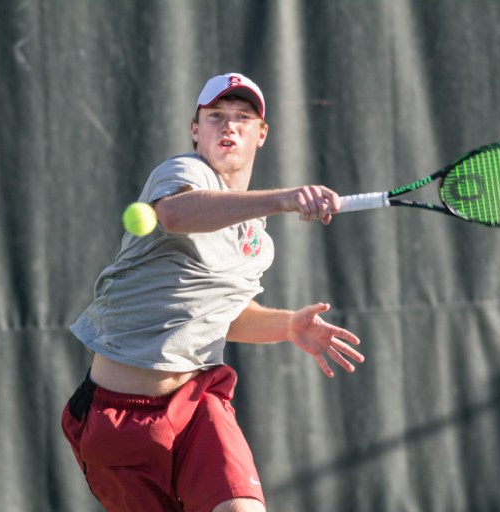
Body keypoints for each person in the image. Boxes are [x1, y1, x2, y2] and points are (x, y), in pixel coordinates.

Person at [61, 72, 365, 512]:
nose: (229, 126)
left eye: (242, 117)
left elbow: (227, 316)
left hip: (196, 404)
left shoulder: (257, 244)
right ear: (195, 129)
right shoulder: (184, 172)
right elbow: (176, 214)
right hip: (116, 418)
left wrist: (287, 325)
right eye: (216, 116)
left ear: (261, 134)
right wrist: (282, 199)